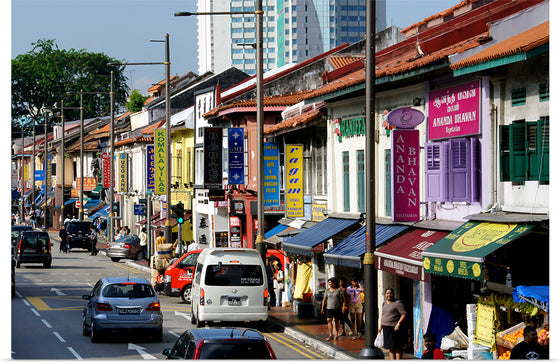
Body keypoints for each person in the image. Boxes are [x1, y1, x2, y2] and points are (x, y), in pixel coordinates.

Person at [379, 287, 407, 359]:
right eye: (387, 293)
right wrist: (380, 326)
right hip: (386, 327)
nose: (389, 295)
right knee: (390, 347)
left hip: (394, 328)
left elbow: (403, 314)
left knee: (397, 347)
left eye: (391, 293)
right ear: (385, 295)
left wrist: (398, 324)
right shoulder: (384, 303)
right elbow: (383, 314)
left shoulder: (397, 303)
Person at [321, 277, 346, 341]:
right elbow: (324, 299)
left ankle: (336, 334)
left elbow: (343, 299)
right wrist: (322, 308)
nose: (330, 284)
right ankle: (331, 334)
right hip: (329, 308)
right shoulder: (327, 290)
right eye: (329, 282)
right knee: (329, 320)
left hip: (337, 308)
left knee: (337, 321)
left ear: (334, 283)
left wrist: (343, 307)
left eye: (331, 282)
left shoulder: (339, 290)